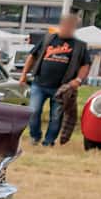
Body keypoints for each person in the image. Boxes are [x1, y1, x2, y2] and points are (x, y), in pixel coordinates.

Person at [20, 12, 88, 147]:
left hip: (61, 88)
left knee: (56, 117)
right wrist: (24, 74)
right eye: (65, 25)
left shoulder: (79, 45)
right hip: (39, 83)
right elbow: (32, 56)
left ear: (74, 28)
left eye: (70, 26)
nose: (66, 28)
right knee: (33, 111)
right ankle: (35, 136)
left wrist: (78, 80)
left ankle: (49, 141)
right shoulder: (48, 39)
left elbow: (85, 65)